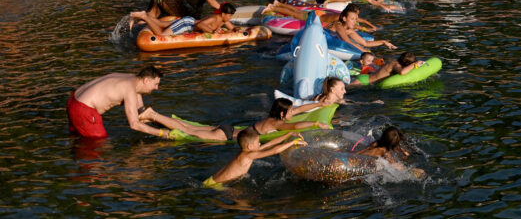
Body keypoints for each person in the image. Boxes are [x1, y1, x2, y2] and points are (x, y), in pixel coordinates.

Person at [136, 97, 328, 143]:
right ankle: (152, 115)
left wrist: (320, 104)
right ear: (282, 114)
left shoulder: (273, 117)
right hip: (226, 135)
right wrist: (316, 124)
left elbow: (300, 110)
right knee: (187, 131)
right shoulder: (277, 123)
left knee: (187, 125)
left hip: (229, 129)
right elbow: (295, 125)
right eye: (290, 110)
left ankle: (153, 117)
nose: (293, 112)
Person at [66, 66, 164, 139]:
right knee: (99, 144)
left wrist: (161, 124)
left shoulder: (131, 79)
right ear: (146, 80)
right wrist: (163, 134)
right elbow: (134, 124)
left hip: (74, 99)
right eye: (155, 84)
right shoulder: (129, 90)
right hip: (83, 110)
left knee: (77, 138)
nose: (157, 88)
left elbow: (141, 111)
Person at [204, 128, 306, 188]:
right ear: (250, 146)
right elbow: (274, 150)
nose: (260, 143)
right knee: (243, 203)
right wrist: (293, 142)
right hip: (217, 185)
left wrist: (288, 134)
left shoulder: (246, 152)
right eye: (258, 142)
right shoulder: (248, 155)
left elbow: (270, 144)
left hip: (212, 181)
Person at [130, 2, 237, 36]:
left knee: (161, 23)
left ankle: (143, 18)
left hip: (187, 21)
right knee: (161, 35)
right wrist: (213, 31)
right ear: (223, 14)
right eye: (229, 15)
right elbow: (200, 25)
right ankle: (144, 16)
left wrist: (238, 30)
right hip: (187, 24)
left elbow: (233, 28)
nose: (230, 17)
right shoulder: (215, 18)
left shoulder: (224, 20)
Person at [327, 4, 397, 52]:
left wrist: (384, 42)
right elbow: (347, 41)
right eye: (352, 19)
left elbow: (365, 43)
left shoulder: (350, 30)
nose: (354, 22)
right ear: (344, 19)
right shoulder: (338, 25)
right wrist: (364, 51)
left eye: (355, 19)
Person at [351, 52, 423, 85]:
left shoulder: (394, 61)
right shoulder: (395, 64)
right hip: (365, 80)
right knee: (346, 91)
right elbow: (402, 72)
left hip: (367, 78)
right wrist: (414, 64)